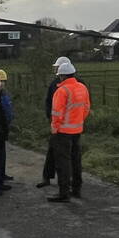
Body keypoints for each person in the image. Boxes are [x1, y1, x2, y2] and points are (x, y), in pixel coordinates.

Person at [47, 61, 90, 203]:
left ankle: (63, 193)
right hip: (77, 130)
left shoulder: (62, 91)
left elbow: (56, 113)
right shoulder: (82, 88)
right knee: (76, 160)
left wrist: (55, 127)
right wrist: (79, 121)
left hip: (62, 132)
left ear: (62, 76)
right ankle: (76, 189)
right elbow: (86, 108)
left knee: (63, 163)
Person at [37, 56, 70, 189]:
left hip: (61, 126)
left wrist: (52, 121)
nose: (55, 70)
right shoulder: (79, 83)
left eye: (57, 67)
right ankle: (51, 177)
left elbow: (50, 105)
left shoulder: (57, 85)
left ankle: (59, 181)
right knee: (64, 154)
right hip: (70, 127)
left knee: (59, 154)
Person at [0, 69, 14, 183]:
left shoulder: (5, 94)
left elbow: (8, 111)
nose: (1, 83)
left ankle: (1, 174)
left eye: (3, 81)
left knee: (2, 153)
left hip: (5, 127)